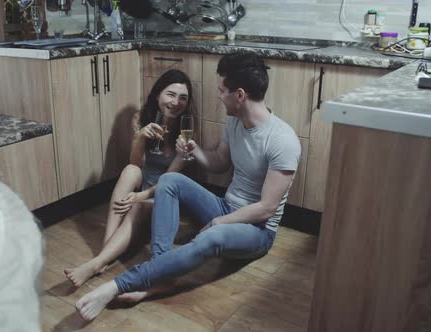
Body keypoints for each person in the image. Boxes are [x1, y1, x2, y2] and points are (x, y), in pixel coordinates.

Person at [75, 52, 302, 321]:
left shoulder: (283, 140)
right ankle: (161, 274)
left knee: (211, 237)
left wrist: (220, 222)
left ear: (239, 95)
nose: (219, 96)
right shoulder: (235, 121)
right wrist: (194, 151)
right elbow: (218, 162)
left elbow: (266, 209)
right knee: (170, 180)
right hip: (226, 206)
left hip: (257, 231)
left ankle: (118, 285)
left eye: (222, 90)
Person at [64, 69, 195, 287]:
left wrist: (139, 197)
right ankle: (105, 252)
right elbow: (135, 164)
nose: (176, 102)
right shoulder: (141, 118)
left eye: (183, 97)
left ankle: (97, 262)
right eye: (170, 94)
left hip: (164, 195)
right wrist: (141, 137)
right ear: (157, 95)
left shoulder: (186, 133)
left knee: (137, 207)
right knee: (129, 171)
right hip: (142, 184)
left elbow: (170, 180)